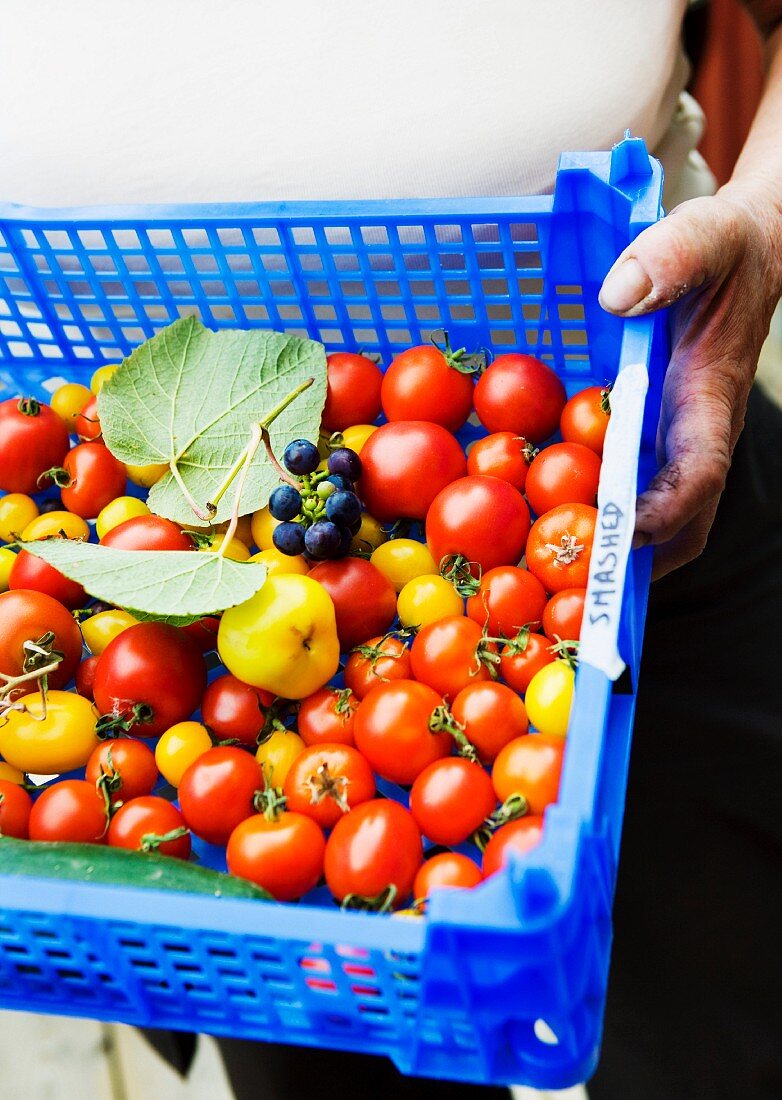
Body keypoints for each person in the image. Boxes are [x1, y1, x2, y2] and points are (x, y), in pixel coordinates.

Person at [1, 2, 780, 1096]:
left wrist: (764, 216)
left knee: (717, 1026)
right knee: (313, 1046)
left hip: (630, 462)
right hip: (162, 537)